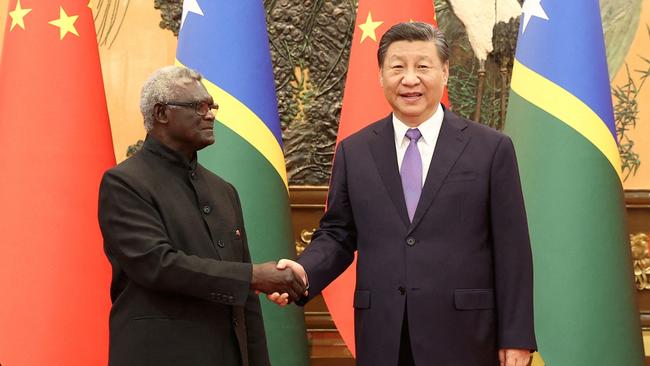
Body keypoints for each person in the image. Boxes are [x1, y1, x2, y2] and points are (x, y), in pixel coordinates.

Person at [273, 22, 537, 366]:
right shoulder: (355, 151)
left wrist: (516, 337)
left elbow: (512, 248)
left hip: (466, 334)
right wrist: (303, 272)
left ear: (444, 72)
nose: (409, 79)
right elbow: (338, 234)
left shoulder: (490, 148)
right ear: (381, 76)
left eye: (422, 67)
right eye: (397, 67)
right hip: (385, 335)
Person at [98, 66, 306, 366]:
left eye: (212, 106)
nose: (210, 115)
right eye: (198, 106)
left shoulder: (224, 191)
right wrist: (253, 276)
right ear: (161, 113)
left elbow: (247, 304)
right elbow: (157, 265)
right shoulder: (124, 183)